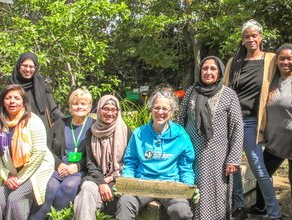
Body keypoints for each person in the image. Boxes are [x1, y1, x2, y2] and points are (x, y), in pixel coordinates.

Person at [223, 19, 282, 220]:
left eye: (254, 35)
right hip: (231, 120)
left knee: (257, 166)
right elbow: (224, 90)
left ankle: (274, 213)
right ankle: (239, 207)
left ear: (260, 37)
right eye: (247, 36)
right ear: (242, 39)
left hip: (251, 122)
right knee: (233, 165)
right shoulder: (234, 62)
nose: (251, 39)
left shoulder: (271, 59)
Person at [176, 56, 244, 219]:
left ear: (219, 71)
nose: (208, 72)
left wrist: (233, 159)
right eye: (205, 68)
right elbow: (180, 120)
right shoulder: (192, 91)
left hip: (217, 156)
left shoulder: (229, 94)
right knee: (192, 187)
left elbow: (237, 127)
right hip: (191, 153)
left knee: (216, 191)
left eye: (213, 69)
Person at [253, 43, 292, 220]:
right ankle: (261, 207)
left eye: (290, 58)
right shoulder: (271, 80)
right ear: (276, 60)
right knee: (261, 173)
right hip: (276, 141)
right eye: (282, 58)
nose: (285, 62)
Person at [115, 87, 195, 220]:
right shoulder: (139, 133)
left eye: (165, 109)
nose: (160, 112)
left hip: (170, 186)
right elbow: (130, 163)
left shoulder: (181, 136)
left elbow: (186, 167)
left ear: (171, 112)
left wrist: (188, 186)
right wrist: (126, 183)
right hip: (142, 185)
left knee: (182, 211)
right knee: (125, 203)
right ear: (151, 109)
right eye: (157, 108)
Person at [0, 84, 54, 220]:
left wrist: (20, 178)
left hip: (36, 170)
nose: (12, 101)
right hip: (11, 173)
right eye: (8, 98)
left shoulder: (33, 121)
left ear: (23, 101)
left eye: (17, 98)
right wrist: (6, 176)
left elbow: (39, 153)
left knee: (15, 198)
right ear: (3, 102)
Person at [30, 89, 95, 219]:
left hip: (80, 170)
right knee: (50, 187)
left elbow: (96, 154)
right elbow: (46, 148)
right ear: (70, 106)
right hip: (58, 168)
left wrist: (77, 166)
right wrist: (58, 164)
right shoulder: (60, 124)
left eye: (83, 104)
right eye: (76, 103)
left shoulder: (94, 127)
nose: (79, 107)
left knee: (68, 187)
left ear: (89, 108)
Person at [73, 95, 132, 220]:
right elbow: (91, 163)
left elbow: (131, 161)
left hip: (120, 177)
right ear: (99, 110)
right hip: (97, 177)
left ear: (118, 111)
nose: (109, 113)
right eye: (106, 109)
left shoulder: (126, 131)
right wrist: (101, 182)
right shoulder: (91, 132)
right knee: (87, 190)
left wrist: (114, 177)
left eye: (113, 110)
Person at [11, 52, 64, 133]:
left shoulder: (42, 85)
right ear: (19, 66)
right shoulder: (11, 87)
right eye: (24, 66)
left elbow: (53, 110)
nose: (28, 69)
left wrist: (68, 122)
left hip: (41, 134)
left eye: (31, 66)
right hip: (19, 134)